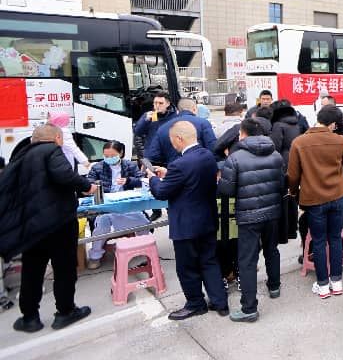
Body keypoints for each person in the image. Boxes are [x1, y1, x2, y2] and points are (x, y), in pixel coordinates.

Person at [1, 124, 95, 333]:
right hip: (58, 223)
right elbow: (64, 175)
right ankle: (65, 312)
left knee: (32, 270)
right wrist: (87, 186)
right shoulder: (51, 150)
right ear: (57, 138)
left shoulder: (20, 156)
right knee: (64, 268)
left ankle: (29, 318)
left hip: (32, 225)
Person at [147, 121, 228, 320]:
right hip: (207, 219)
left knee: (187, 268)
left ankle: (195, 304)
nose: (172, 144)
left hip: (186, 224)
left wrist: (152, 178)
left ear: (179, 139)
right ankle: (220, 302)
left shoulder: (180, 164)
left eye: (172, 140)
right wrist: (168, 174)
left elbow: (161, 192)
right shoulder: (207, 155)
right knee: (209, 261)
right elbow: (192, 178)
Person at [217, 118, 283, 322]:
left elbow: (226, 191)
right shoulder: (276, 155)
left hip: (248, 216)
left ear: (242, 134)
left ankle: (249, 308)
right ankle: (274, 287)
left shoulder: (235, 158)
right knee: (271, 249)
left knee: (247, 260)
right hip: (272, 212)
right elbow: (281, 184)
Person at [288, 105, 343, 299]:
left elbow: (293, 175)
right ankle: (337, 282)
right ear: (332, 124)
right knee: (335, 238)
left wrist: (293, 192)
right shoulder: (340, 140)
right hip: (338, 195)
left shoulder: (299, 142)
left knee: (319, 241)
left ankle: (323, 285)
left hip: (314, 198)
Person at [85, 141, 149, 269]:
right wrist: (91, 187)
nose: (109, 158)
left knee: (143, 221)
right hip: (105, 205)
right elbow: (88, 183)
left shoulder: (129, 165)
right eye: (106, 156)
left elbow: (141, 180)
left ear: (121, 153)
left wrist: (128, 180)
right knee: (102, 225)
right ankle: (95, 256)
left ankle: (145, 248)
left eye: (112, 156)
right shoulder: (97, 167)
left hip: (125, 203)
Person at [144, 98, 217, 166]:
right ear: (194, 109)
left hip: (174, 169)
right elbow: (213, 149)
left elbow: (153, 155)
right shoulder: (203, 123)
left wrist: (169, 161)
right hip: (199, 168)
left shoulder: (163, 128)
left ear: (178, 111)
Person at [269, 99, 309, 164]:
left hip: (283, 160)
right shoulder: (296, 124)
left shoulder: (278, 125)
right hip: (297, 157)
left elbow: (276, 146)